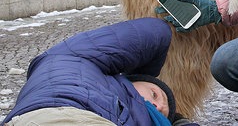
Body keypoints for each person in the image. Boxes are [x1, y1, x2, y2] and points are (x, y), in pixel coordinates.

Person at [2, 18, 197, 126]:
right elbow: (156, 31)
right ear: (129, 80)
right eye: (155, 94)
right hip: (64, 116)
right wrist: (148, 72)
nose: (156, 104)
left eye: (163, 112)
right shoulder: (76, 61)